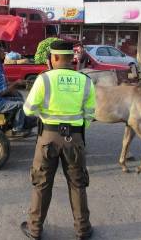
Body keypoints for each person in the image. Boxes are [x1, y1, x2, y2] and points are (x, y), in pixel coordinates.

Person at [20, 40, 96, 240]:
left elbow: (28, 109)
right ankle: (83, 230)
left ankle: (35, 229)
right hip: (75, 139)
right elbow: (90, 114)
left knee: (42, 184)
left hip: (48, 138)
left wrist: (45, 114)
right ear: (72, 59)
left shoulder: (44, 79)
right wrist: (77, 129)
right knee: (78, 184)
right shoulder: (85, 80)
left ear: (53, 58)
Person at [0, 52, 31, 137]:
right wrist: (16, 83)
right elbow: (3, 92)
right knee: (21, 104)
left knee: (18, 99)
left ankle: (13, 124)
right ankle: (16, 130)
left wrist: (14, 84)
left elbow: (1, 87)